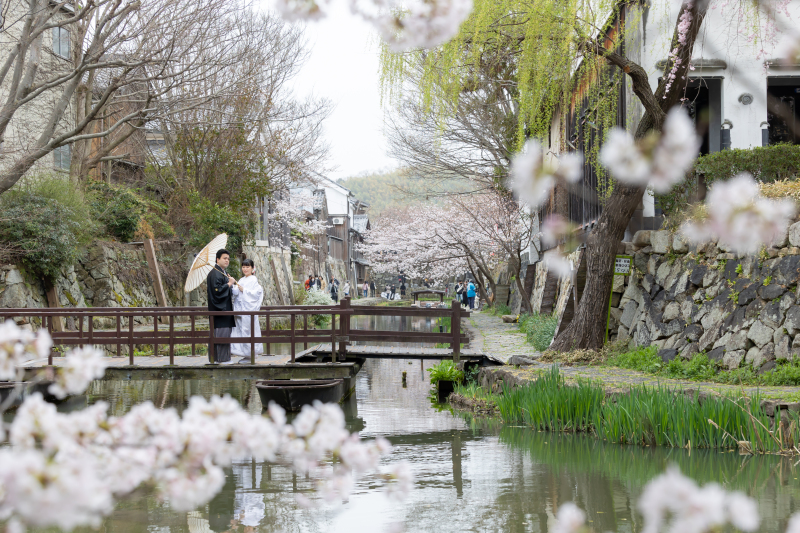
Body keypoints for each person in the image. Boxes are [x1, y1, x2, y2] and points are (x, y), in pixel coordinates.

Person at [230, 259, 265, 360]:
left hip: (248, 311)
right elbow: (237, 292)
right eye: (243, 267)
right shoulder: (241, 280)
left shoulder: (253, 280)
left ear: (252, 268)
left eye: (247, 267)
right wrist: (233, 286)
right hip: (241, 310)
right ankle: (247, 354)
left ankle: (251, 354)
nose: (245, 269)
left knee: (248, 331)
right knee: (242, 331)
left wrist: (244, 290)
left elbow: (256, 294)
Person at [207, 249, 235, 364]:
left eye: (228, 258)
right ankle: (223, 359)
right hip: (220, 310)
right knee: (222, 334)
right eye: (224, 258)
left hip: (220, 309)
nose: (227, 260)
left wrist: (228, 282)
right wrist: (229, 284)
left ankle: (216, 358)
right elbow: (217, 291)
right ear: (217, 259)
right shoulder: (216, 273)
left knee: (218, 334)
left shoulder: (220, 272)